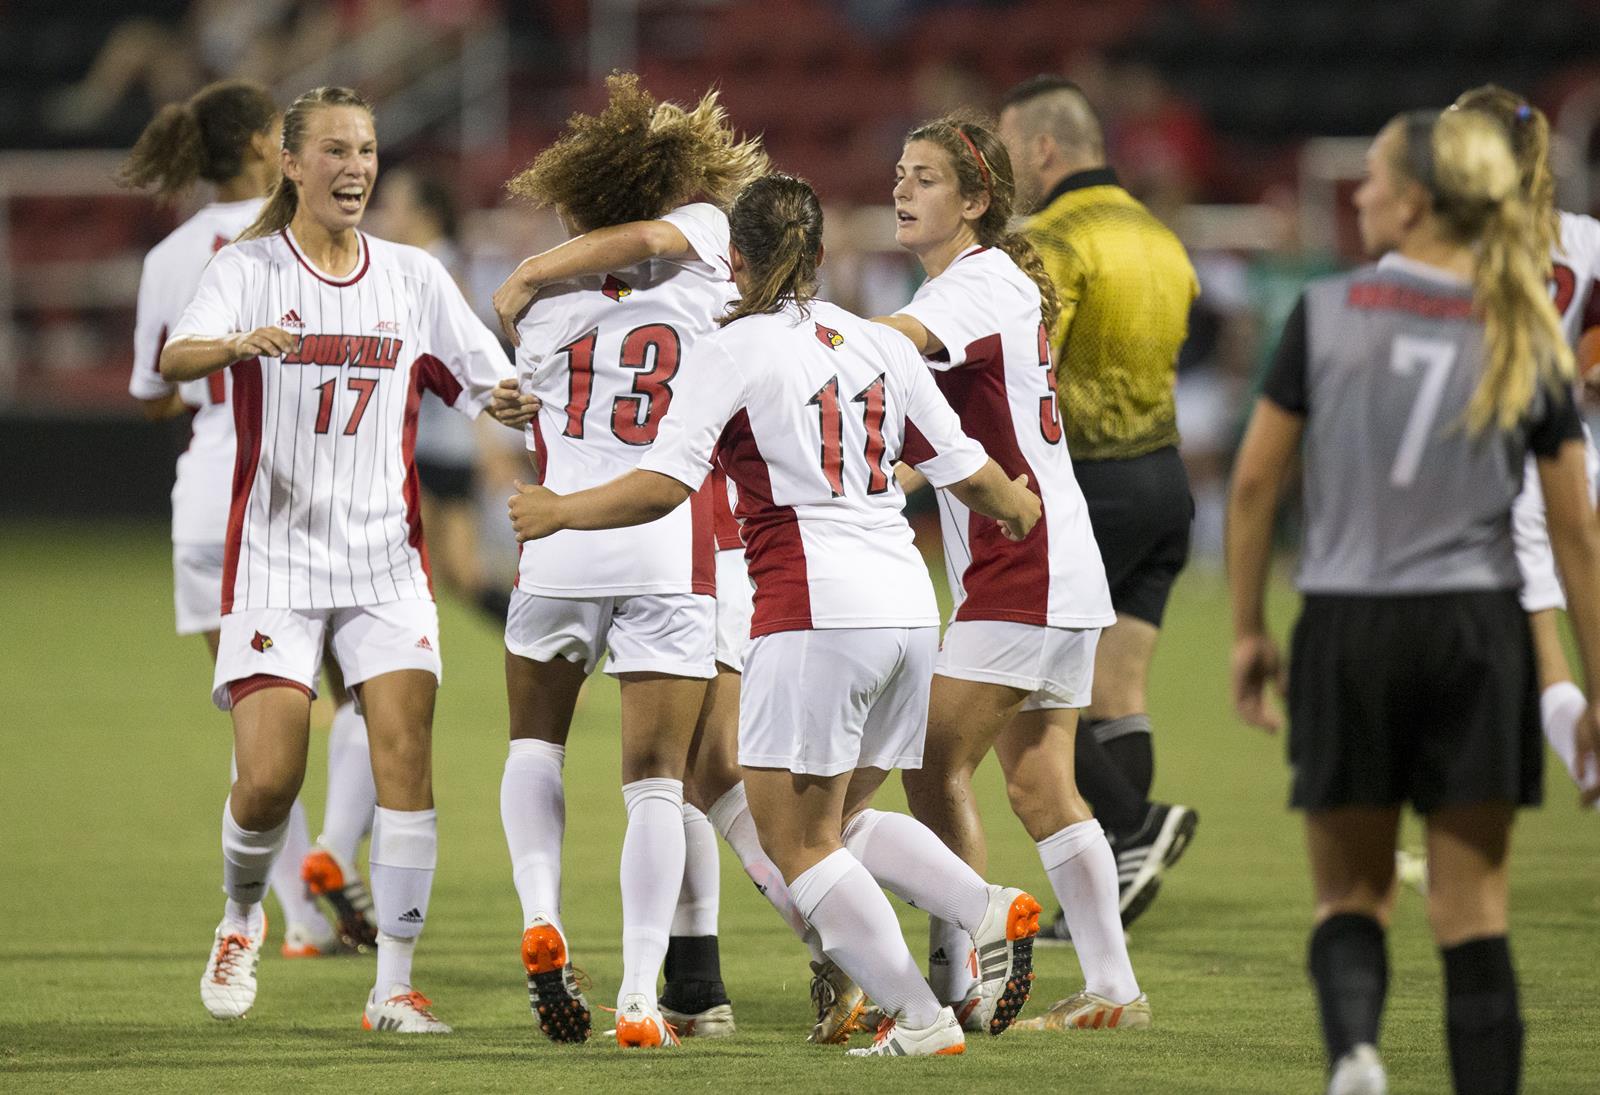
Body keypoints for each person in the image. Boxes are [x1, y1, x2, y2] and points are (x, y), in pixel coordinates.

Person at [507, 171, 1049, 1059]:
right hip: (912, 613)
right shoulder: (880, 342)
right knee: (844, 822)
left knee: (793, 839)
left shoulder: (737, 349)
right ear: (822, 255)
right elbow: (969, 470)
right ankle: (983, 905)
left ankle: (920, 1016)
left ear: (740, 259)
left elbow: (662, 487)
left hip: (814, 612)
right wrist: (1020, 510)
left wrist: (562, 510)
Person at [1227, 108, 1600, 1095]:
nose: (1357, 192)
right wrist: (1596, 689)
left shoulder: (1326, 311)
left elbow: (1256, 483)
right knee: (1472, 914)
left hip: (1346, 624)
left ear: (1419, 197)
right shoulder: (1522, 326)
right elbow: (1575, 534)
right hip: (1476, 632)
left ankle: (1354, 1053)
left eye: (1377, 178)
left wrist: (1247, 630)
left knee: (1347, 894)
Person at [159, 85, 515, 1033]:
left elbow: (485, 373)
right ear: (290, 162)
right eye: (335, 151)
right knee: (271, 779)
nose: (355, 167)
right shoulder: (248, 267)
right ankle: (241, 914)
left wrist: (515, 402)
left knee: (407, 761)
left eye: (366, 150)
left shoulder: (412, 276)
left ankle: (392, 986)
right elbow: (179, 354)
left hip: (386, 564)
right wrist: (235, 343)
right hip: (275, 561)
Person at [485, 73, 765, 1048]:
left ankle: (540, 914)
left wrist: (528, 277)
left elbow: (526, 404)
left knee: (534, 747)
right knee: (656, 781)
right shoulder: (704, 267)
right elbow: (653, 246)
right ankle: (644, 994)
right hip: (664, 544)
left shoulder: (545, 314)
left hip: (558, 548)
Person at [877, 115, 1148, 1033]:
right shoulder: (984, 288)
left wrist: (787, 337)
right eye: (900, 174)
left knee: (926, 762)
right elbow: (954, 433)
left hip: (1022, 569)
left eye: (925, 178)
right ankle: (1113, 987)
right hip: (1053, 564)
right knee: (1040, 785)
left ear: (977, 200)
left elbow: (883, 351)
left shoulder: (970, 287)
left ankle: (966, 964)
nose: (902, 190)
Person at [120, 77, 374, 960]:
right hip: (298, 500)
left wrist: (206, 382)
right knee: (364, 701)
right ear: (268, 148)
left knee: (259, 718)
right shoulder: (310, 241)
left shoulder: (172, 256)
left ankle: (300, 917)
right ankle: (334, 857)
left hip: (205, 499)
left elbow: (153, 392)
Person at [997, 74, 1200, 933]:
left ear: (1044, 148)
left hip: (1090, 486)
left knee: (1013, 686)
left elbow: (1030, 363)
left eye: (1007, 145)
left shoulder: (1048, 240)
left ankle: (1135, 826)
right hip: (1167, 482)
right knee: (1118, 691)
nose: (1003, 166)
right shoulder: (1165, 237)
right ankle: (1118, 872)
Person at [1452, 86, 1600, 807]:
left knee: (1546, 668)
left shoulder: (1458, 247)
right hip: (1584, 461)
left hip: (1506, 475)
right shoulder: (1586, 239)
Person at [373, 166, 515, 626]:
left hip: (442, 444)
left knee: (427, 567)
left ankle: (549, 650)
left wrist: (487, 442)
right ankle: (550, 650)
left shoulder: (437, 270)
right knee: (454, 572)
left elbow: (468, 358)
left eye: (392, 204)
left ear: (424, 214)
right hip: (427, 442)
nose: (382, 214)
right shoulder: (416, 264)